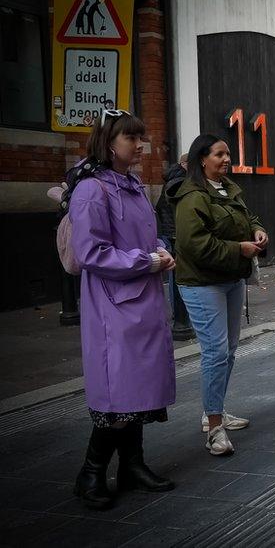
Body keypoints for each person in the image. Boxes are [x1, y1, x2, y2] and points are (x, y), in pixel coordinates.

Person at [69, 110, 176, 509]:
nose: (139, 145)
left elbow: (146, 235)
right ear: (109, 142)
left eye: (140, 137)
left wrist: (161, 251)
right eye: (131, 138)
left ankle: (133, 465)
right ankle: (91, 472)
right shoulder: (92, 189)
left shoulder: (130, 184)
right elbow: (90, 252)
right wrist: (148, 261)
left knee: (139, 391)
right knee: (118, 395)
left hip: (141, 300)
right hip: (114, 305)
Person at [169, 134, 268, 456]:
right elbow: (193, 245)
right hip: (202, 284)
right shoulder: (192, 196)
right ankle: (214, 428)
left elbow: (245, 217)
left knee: (229, 350)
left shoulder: (227, 189)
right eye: (220, 154)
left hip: (231, 279)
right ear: (202, 159)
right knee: (215, 353)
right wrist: (238, 249)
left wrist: (256, 229)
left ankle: (215, 409)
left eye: (228, 154)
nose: (226, 159)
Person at [155, 153, 187, 317]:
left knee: (176, 274)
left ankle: (179, 314)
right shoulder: (180, 182)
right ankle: (180, 316)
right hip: (175, 233)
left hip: (170, 231)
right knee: (177, 275)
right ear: (184, 164)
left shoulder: (172, 179)